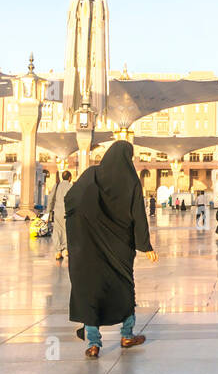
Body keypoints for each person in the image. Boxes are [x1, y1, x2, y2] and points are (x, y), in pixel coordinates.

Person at [65, 141, 155, 358]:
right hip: (120, 248)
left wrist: (83, 228)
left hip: (90, 247)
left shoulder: (91, 175)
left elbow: (71, 201)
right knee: (124, 288)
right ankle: (126, 335)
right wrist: (145, 245)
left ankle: (93, 344)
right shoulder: (131, 180)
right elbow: (138, 215)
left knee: (91, 291)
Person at [44, 173, 70, 259]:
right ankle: (66, 249)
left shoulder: (57, 185)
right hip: (67, 211)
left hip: (58, 211)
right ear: (70, 178)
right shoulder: (71, 186)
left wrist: (48, 211)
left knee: (57, 230)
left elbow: (51, 199)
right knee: (66, 230)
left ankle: (58, 251)